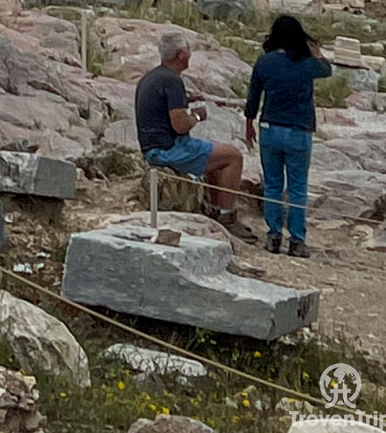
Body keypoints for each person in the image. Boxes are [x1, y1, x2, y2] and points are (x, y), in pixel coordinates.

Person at [135, 32, 249, 233]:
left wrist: (185, 101)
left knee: (217, 156)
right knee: (233, 156)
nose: (190, 52)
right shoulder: (172, 81)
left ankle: (215, 209)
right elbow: (180, 125)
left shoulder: (152, 76)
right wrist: (197, 116)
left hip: (151, 145)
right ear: (181, 54)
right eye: (188, 49)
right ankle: (226, 216)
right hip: (169, 149)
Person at [244, 14, 333, 257]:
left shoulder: (265, 62)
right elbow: (327, 70)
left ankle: (273, 235)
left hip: (270, 127)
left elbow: (253, 97)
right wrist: (316, 51)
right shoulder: (306, 63)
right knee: (297, 187)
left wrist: (249, 122)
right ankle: (296, 239)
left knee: (272, 184)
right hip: (298, 130)